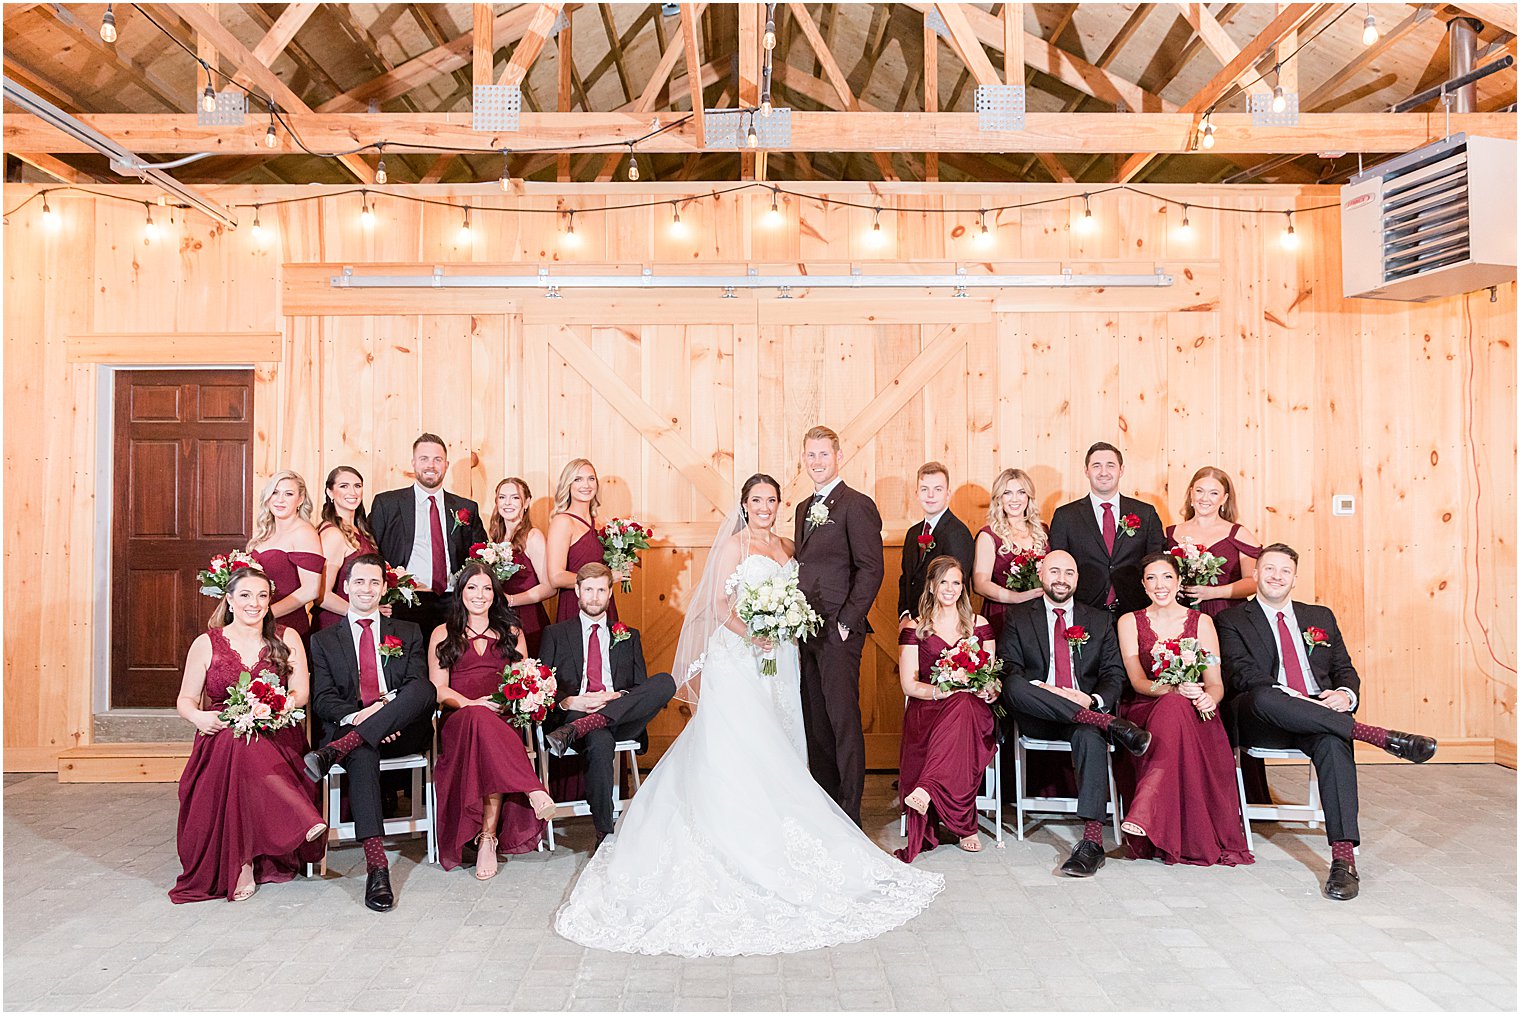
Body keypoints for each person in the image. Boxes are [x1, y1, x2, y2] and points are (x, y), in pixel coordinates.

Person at [554, 475, 943, 957]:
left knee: (782, 738)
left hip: (780, 660)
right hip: (739, 657)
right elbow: (720, 604)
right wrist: (751, 634)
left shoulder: (785, 544)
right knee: (742, 742)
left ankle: (786, 824)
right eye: (756, 500)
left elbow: (801, 595)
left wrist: (786, 624)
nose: (764, 507)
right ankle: (737, 831)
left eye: (772, 500)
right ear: (744, 504)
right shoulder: (734, 546)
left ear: (780, 505)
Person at [1216, 543, 1438, 901]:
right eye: (1268, 569)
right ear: (1255, 574)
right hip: (1265, 715)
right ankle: (1377, 736)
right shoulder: (1231, 620)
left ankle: (1343, 859)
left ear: (1295, 578)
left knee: (1334, 742)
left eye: (1284, 571)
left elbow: (1344, 670)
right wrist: (1303, 700)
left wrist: (1346, 696)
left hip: (1320, 715)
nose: (1275, 576)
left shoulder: (1320, 616)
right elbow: (1243, 675)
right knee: (1263, 694)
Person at [170, 567, 326, 903]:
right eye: (244, 595)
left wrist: (279, 705)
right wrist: (199, 716)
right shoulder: (206, 643)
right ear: (229, 599)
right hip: (222, 728)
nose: (253, 603)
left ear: (270, 602)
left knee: (243, 746)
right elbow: (185, 700)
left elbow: (301, 691)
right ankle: (294, 819)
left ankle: (243, 862)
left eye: (261, 596)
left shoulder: (287, 638)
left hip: (276, 730)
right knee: (234, 741)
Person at [997, 550, 1152, 878]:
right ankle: (1113, 725)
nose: (1061, 579)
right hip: (1037, 711)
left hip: (1084, 711)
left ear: (1077, 578)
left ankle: (1092, 843)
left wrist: (1093, 700)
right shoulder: (1020, 616)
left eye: (1069, 572)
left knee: (1090, 736)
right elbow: (1009, 666)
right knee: (1012, 685)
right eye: (1054, 571)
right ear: (1041, 574)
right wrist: (1046, 689)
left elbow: (1113, 674)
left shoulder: (1098, 619)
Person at [304, 554, 439, 912]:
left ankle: (339, 748)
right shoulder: (323, 640)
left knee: (426, 690)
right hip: (354, 729)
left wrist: (385, 717)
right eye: (359, 582)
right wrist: (361, 721)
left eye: (374, 582)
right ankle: (377, 867)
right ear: (346, 587)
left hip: (402, 731)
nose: (367, 589)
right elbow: (323, 700)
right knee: (362, 751)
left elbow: (414, 686)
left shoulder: (408, 632)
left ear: (384, 588)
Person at [1114, 554, 1254, 867]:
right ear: (1143, 585)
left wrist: (1208, 700)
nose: (1159, 585)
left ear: (1179, 582)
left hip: (1194, 711)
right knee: (1172, 704)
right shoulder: (1129, 621)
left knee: (1178, 707)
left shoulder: (1201, 622)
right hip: (1146, 706)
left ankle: (1144, 810)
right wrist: (1174, 690)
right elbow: (1137, 681)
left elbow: (1215, 683)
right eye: (1151, 578)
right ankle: (1147, 810)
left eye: (1166, 577)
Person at [429, 560, 555, 878]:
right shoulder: (442, 633)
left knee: (488, 728)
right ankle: (532, 789)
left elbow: (525, 678)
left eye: (487, 588)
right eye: (472, 587)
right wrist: (472, 703)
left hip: (502, 718)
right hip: (458, 718)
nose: (480, 595)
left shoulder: (512, 632)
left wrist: (524, 695)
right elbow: (439, 689)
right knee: (478, 718)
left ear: (495, 595)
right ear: (461, 593)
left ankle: (488, 839)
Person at [539, 563, 675, 849]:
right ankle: (604, 831)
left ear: (610, 594)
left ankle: (592, 723)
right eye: (588, 589)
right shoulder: (556, 633)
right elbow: (543, 687)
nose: (594, 596)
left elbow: (640, 687)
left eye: (601, 590)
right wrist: (570, 700)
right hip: (576, 712)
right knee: (600, 741)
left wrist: (618, 696)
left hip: (621, 716)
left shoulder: (628, 635)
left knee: (665, 682)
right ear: (577, 591)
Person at [791, 426, 884, 826]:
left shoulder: (856, 504)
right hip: (805, 630)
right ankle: (826, 805)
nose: (817, 462)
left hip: (838, 631)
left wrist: (847, 620)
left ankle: (850, 813)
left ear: (839, 456)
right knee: (816, 720)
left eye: (823, 455)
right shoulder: (800, 509)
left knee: (843, 720)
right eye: (810, 455)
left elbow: (870, 568)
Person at [896, 557, 999, 862]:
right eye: (944, 582)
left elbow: (992, 680)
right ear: (931, 585)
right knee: (959, 707)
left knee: (966, 704)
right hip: (929, 707)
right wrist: (941, 691)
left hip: (972, 709)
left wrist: (988, 689)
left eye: (956, 582)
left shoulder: (979, 626)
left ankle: (926, 790)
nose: (950, 589)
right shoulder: (915, 627)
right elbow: (909, 685)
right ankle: (966, 826)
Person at [367, 433, 488, 636]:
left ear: (446, 465)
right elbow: (371, 554)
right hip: (404, 602)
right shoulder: (387, 504)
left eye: (437, 459)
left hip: (453, 602)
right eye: (424, 459)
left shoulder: (466, 508)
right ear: (413, 463)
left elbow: (480, 557)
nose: (430, 465)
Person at [1048, 442, 1165, 617]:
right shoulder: (1065, 516)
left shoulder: (1145, 513)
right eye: (1096, 466)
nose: (1103, 472)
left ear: (1121, 470)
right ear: (1086, 471)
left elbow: (1156, 562)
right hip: (1084, 610)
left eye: (1110, 465)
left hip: (1136, 609)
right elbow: (1058, 565)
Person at [1166, 467, 1261, 618]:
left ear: (1224, 498)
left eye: (1214, 493)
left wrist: (1213, 592)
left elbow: (1253, 582)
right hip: (1180, 615)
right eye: (1199, 491)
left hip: (1227, 615)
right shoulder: (1170, 534)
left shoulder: (1239, 534)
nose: (1205, 498)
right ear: (1191, 493)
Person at [545, 458, 628, 625]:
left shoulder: (599, 524)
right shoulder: (563, 522)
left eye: (591, 478)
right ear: (568, 484)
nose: (586, 485)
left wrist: (621, 565)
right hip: (576, 605)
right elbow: (556, 577)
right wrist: (605, 578)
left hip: (604, 605)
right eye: (578, 479)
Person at [246, 470, 325, 643]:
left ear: (301, 499)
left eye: (288, 494)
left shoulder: (304, 532)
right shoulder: (264, 532)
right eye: (275, 492)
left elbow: (310, 590)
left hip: (286, 626)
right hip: (255, 623)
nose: (280, 499)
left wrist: (266, 613)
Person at [972, 468, 1050, 640]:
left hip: (1040, 613)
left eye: (1021, 492)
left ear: (1029, 496)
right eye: (1007, 493)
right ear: (999, 498)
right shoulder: (989, 535)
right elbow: (980, 584)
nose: (1015, 499)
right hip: (1003, 614)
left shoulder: (1042, 530)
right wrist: (1018, 598)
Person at [897, 461, 975, 627]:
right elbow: (906, 578)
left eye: (937, 489)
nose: (930, 495)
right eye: (925, 489)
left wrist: (935, 623)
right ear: (917, 493)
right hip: (912, 621)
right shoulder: (913, 533)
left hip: (941, 624)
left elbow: (956, 585)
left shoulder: (957, 533)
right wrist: (904, 615)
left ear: (948, 494)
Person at [489, 476, 555, 655]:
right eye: (502, 497)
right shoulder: (495, 538)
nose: (507, 503)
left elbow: (549, 588)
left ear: (526, 502)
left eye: (515, 497)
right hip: (499, 618)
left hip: (527, 619)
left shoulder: (533, 537)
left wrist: (511, 600)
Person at [312, 466, 378, 633]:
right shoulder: (333, 534)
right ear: (330, 492)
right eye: (344, 486)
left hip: (357, 623)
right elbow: (322, 595)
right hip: (336, 625)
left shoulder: (361, 530)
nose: (353, 492)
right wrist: (362, 614)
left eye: (357, 486)